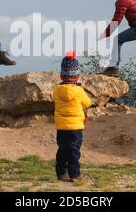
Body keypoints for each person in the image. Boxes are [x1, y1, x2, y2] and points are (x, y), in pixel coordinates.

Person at [53, 51, 92, 182]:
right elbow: (88, 103)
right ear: (77, 76)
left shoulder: (57, 90)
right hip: (75, 127)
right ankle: (75, 175)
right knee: (74, 150)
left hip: (61, 126)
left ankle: (61, 173)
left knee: (63, 149)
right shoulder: (79, 91)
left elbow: (54, 99)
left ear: (61, 75)